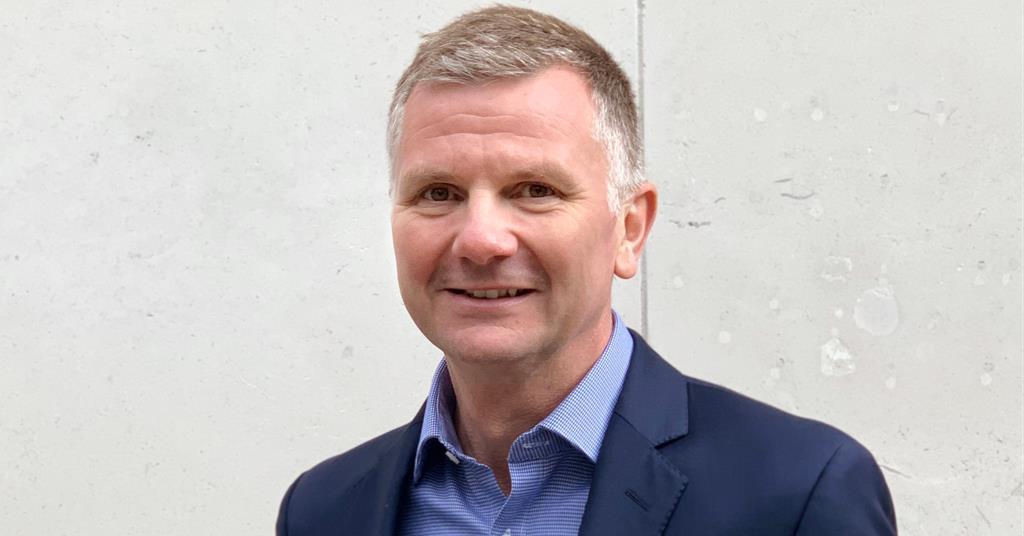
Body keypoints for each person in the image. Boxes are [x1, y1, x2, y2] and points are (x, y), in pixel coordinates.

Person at [276, 6, 897, 535]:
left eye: (535, 190)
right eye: (438, 193)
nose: (482, 240)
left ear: (629, 228)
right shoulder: (322, 512)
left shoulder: (797, 494)